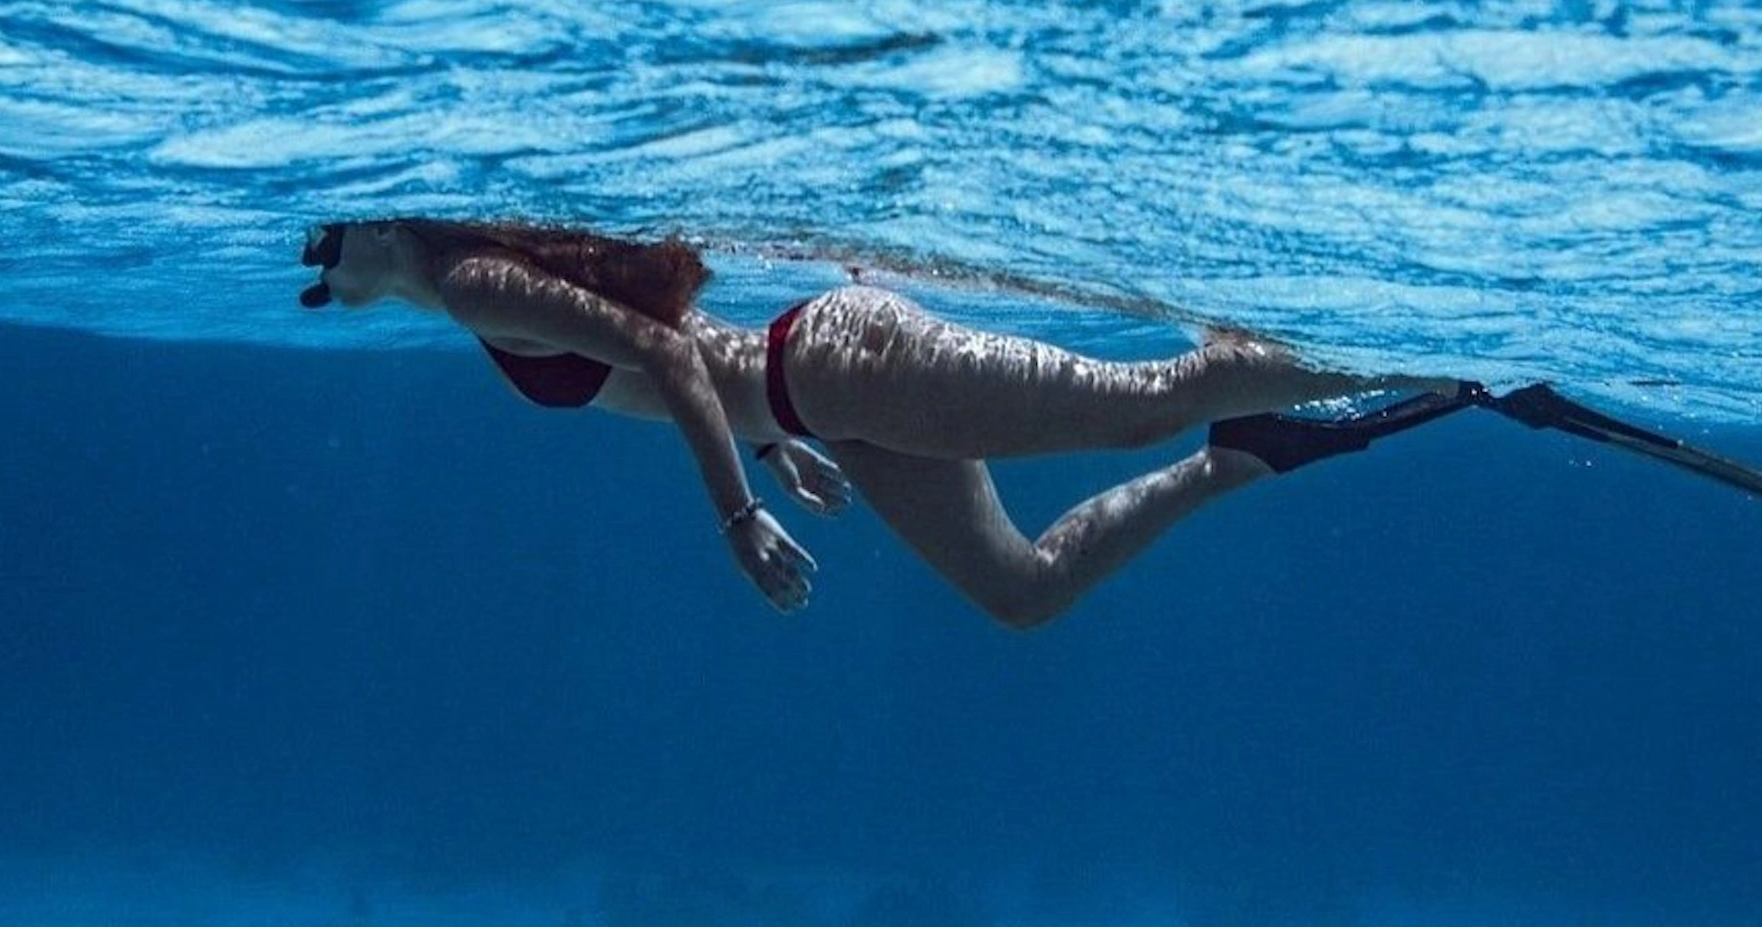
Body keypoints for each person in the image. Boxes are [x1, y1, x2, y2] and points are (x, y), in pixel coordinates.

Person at [299, 218, 1466, 628]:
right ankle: (1243, 457)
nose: (321, 282)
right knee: (1023, 591)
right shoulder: (465, 287)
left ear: (370, 229)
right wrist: (769, 443)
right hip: (826, 404)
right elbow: (674, 362)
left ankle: (1423, 356)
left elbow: (660, 350)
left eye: (319, 254)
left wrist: (736, 516)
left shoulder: (470, 286)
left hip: (847, 367)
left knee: (1141, 404)